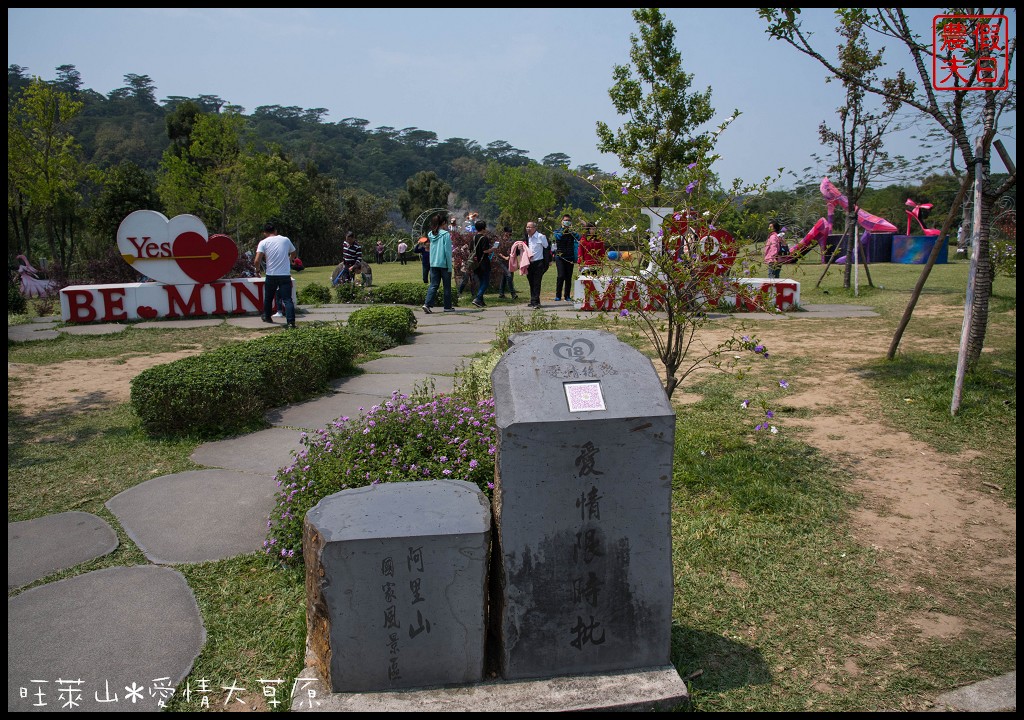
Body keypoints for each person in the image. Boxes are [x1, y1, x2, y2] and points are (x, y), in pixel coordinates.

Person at [253, 222, 297, 329]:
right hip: (284, 275)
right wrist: (290, 260)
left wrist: (257, 270)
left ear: (264, 233)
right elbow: (294, 252)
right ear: (275, 231)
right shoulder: (285, 240)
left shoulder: (263, 242)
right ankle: (291, 322)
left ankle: (267, 316)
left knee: (268, 298)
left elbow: (257, 260)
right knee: (287, 299)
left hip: (271, 274)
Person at [422, 212, 453, 313]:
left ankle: (427, 304)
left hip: (433, 263)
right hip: (444, 263)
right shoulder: (446, 234)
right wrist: (449, 266)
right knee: (447, 286)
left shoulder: (431, 234)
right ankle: (447, 307)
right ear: (443, 223)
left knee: (433, 285)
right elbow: (448, 251)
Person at [552, 214, 579, 302]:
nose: (567, 222)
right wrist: (564, 230)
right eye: (565, 220)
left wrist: (572, 231)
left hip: (570, 257)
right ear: (562, 221)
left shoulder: (572, 232)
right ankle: (558, 295)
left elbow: (579, 237)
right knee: (561, 276)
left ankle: (567, 295)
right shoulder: (557, 231)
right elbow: (558, 237)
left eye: (568, 220)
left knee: (568, 277)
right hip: (560, 257)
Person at [524, 220, 549, 308]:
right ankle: (534, 300)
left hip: (539, 263)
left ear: (534, 228)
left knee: (537, 282)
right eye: (527, 227)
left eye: (530, 227)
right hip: (529, 263)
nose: (528, 229)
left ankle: (535, 302)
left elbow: (546, 247)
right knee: (531, 281)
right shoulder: (526, 237)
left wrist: (548, 261)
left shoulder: (541, 237)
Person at [469, 219, 492, 308]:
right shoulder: (484, 238)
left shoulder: (474, 238)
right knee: (485, 282)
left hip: (475, 263)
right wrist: (492, 249)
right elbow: (485, 250)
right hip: (484, 263)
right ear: (483, 228)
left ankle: (481, 301)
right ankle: (478, 298)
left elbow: (470, 249)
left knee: (481, 281)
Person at [496, 229, 519, 299]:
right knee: (508, 275)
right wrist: (504, 257)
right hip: (500, 260)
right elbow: (495, 250)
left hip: (509, 261)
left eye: (510, 235)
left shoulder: (511, 242)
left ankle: (501, 293)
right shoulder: (498, 241)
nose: (508, 236)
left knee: (505, 276)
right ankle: (513, 294)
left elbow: (515, 251)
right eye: (507, 234)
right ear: (504, 233)